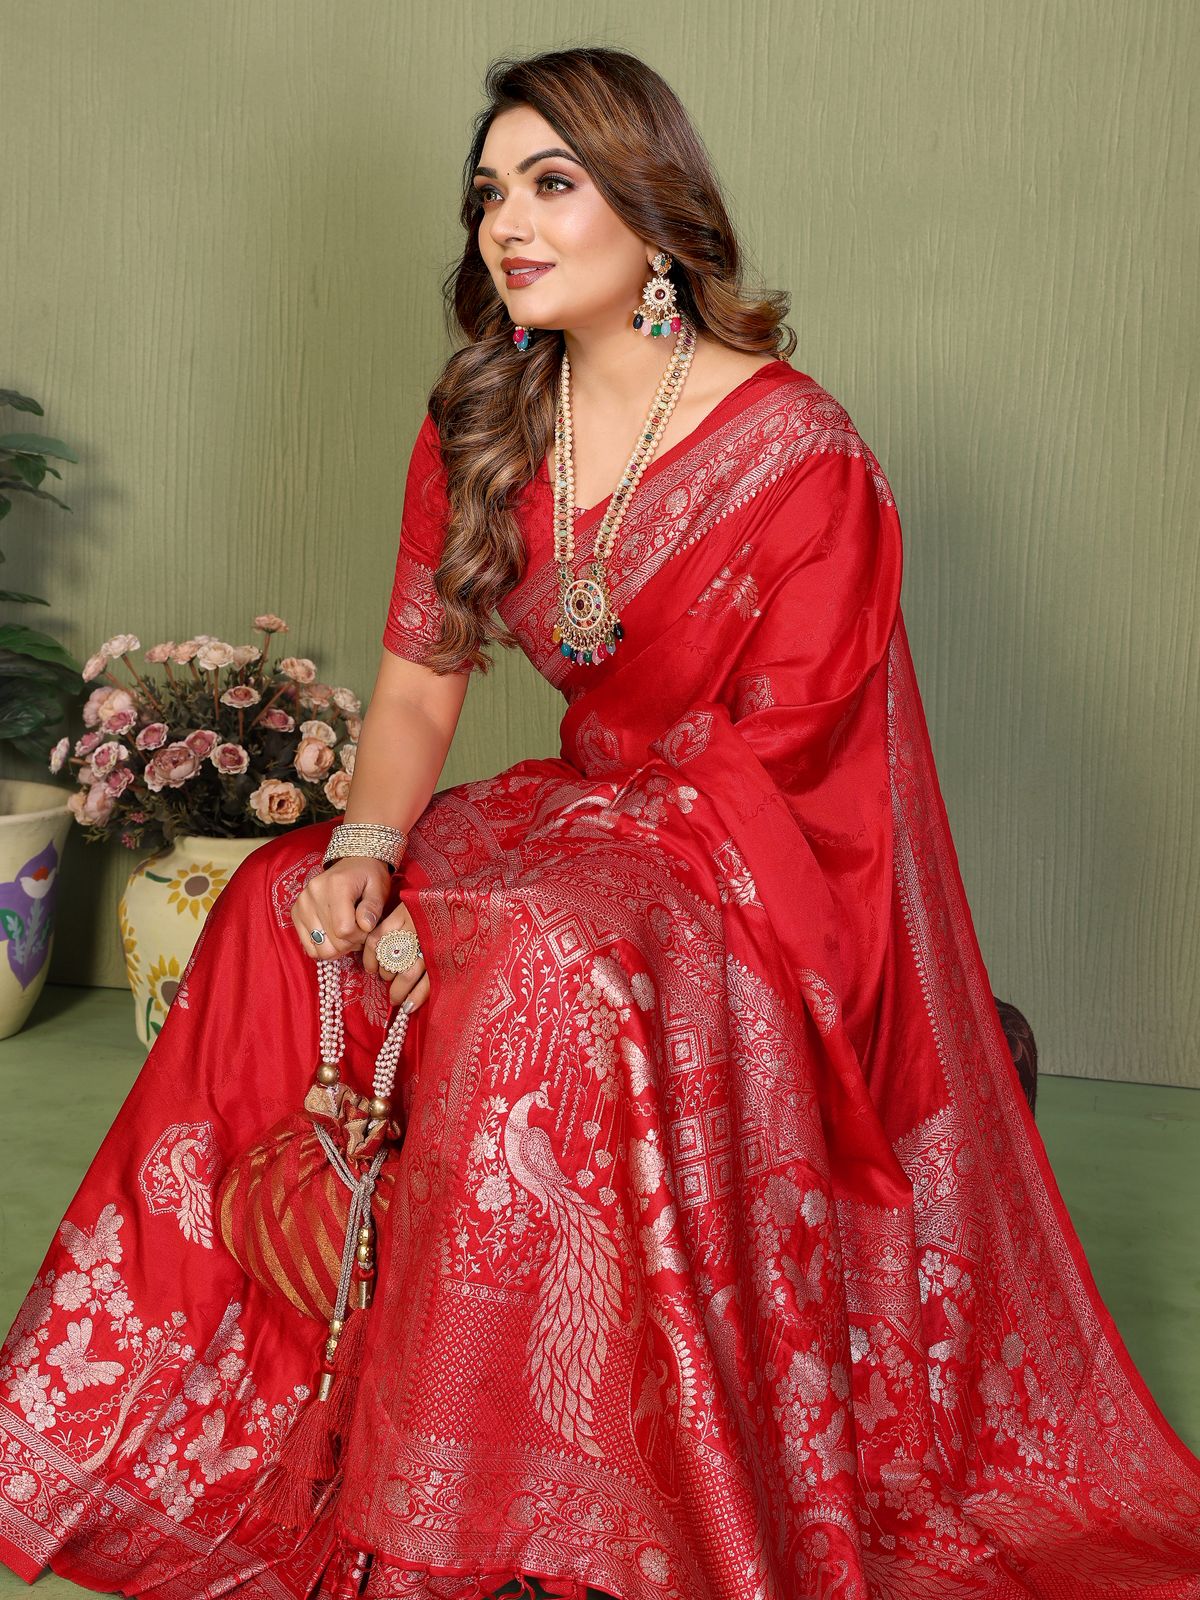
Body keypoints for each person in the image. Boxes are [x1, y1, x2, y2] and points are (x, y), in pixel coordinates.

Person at [2, 42, 1199, 1600]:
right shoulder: (487, 419)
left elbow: (791, 751)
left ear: (654, 211)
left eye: (552, 184)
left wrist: (521, 893)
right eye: (489, 192)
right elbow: (419, 684)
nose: (508, 221)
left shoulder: (798, 453)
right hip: (585, 812)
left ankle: (506, 1499)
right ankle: (218, 1412)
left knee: (538, 961)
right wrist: (367, 850)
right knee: (276, 903)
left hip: (765, 851)